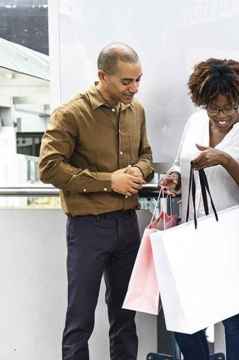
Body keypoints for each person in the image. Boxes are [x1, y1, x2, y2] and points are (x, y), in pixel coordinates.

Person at [38, 42, 153, 360]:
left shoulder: (137, 110)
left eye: (138, 79)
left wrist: (138, 171)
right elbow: (48, 168)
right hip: (88, 228)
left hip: (128, 226)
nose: (134, 88)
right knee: (80, 320)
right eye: (126, 81)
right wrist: (109, 181)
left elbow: (147, 156)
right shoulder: (72, 113)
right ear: (103, 76)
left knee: (125, 319)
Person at [159, 58, 239, 360]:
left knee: (234, 319)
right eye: (214, 107)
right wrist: (175, 178)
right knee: (185, 319)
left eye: (229, 107)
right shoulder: (195, 122)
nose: (221, 115)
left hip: (233, 237)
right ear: (202, 101)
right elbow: (180, 164)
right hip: (191, 232)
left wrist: (226, 160)